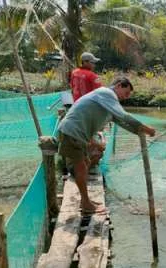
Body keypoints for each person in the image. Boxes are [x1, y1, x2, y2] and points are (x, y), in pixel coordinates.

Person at [58, 77, 156, 214]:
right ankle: (86, 203)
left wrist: (139, 132)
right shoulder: (106, 93)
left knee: (84, 163)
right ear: (119, 85)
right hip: (73, 130)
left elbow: (121, 122)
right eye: (126, 93)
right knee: (80, 166)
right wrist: (146, 128)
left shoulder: (109, 104)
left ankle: (86, 201)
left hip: (77, 133)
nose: (125, 98)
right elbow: (125, 116)